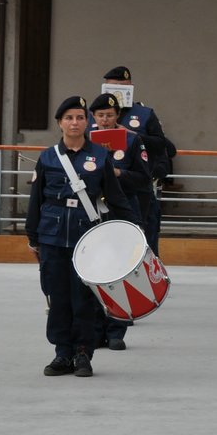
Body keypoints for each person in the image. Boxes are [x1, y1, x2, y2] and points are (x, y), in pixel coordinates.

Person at [25, 95, 135, 378]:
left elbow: (116, 198)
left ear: (87, 123)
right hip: (52, 237)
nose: (75, 123)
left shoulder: (99, 156)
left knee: (84, 299)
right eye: (69, 118)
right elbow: (36, 200)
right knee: (57, 297)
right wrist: (32, 237)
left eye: (80, 117)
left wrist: (134, 233)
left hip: (88, 240)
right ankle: (62, 353)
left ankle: (83, 353)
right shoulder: (48, 157)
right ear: (60, 123)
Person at [88, 92, 153, 351]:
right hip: (92, 211)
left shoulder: (132, 140)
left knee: (120, 271)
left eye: (110, 115)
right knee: (93, 270)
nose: (105, 120)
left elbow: (143, 178)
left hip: (123, 208)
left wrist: (118, 173)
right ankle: (94, 329)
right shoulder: (83, 141)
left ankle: (116, 330)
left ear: (118, 117)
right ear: (94, 117)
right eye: (101, 115)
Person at [101, 66, 176, 252]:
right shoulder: (95, 114)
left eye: (123, 86)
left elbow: (164, 146)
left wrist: (133, 135)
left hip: (138, 189)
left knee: (144, 243)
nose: (118, 90)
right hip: (103, 191)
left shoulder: (144, 114)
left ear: (131, 87)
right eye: (113, 86)